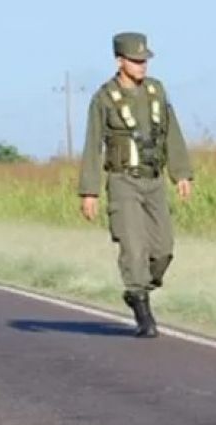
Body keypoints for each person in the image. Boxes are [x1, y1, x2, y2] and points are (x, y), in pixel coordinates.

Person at [78, 32, 194, 337]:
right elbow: (92, 145)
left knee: (163, 250)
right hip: (122, 182)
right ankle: (143, 312)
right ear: (120, 61)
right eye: (136, 60)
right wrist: (89, 191)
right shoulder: (104, 98)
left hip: (153, 181)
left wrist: (181, 173)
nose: (142, 66)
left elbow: (172, 132)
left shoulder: (156, 91)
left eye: (145, 60)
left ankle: (139, 288)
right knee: (133, 247)